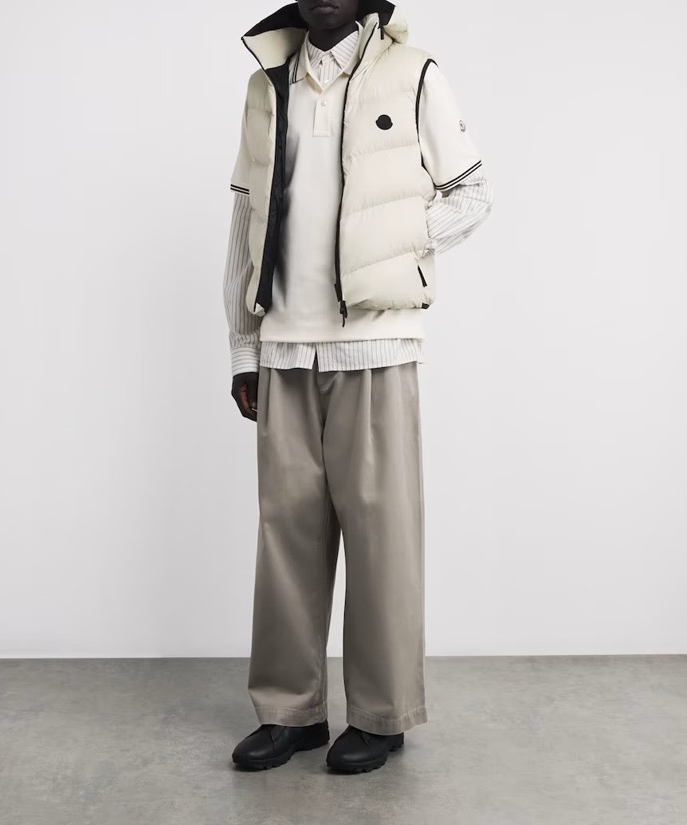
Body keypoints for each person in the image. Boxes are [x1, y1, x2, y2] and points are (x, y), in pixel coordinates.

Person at [223, 0, 493, 774]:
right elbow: (243, 219)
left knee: (383, 538)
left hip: (375, 342)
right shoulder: (266, 86)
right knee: (286, 535)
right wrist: (243, 346)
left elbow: (471, 193)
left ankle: (380, 715)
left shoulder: (414, 74)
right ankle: (291, 711)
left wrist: (392, 247)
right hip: (284, 342)